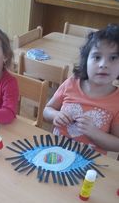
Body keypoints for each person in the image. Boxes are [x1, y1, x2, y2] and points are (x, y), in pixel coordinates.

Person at [43, 24, 119, 154]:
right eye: (97, 57)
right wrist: (55, 115)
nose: (103, 65)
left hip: (88, 164)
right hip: (56, 152)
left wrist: (94, 133)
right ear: (85, 61)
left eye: (113, 58)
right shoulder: (71, 83)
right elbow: (46, 110)